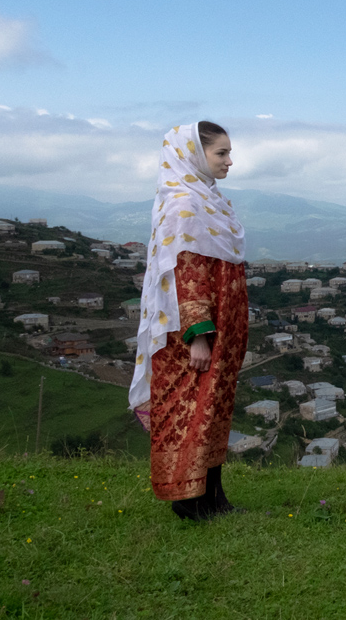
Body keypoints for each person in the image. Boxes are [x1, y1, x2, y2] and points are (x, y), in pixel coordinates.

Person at [127, 121, 248, 520]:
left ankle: (214, 498)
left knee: (212, 412)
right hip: (192, 335)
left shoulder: (209, 200)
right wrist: (198, 335)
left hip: (221, 329)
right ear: (194, 154)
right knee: (189, 413)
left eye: (229, 152)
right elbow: (186, 275)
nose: (230, 160)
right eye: (221, 153)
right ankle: (188, 502)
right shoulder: (184, 205)